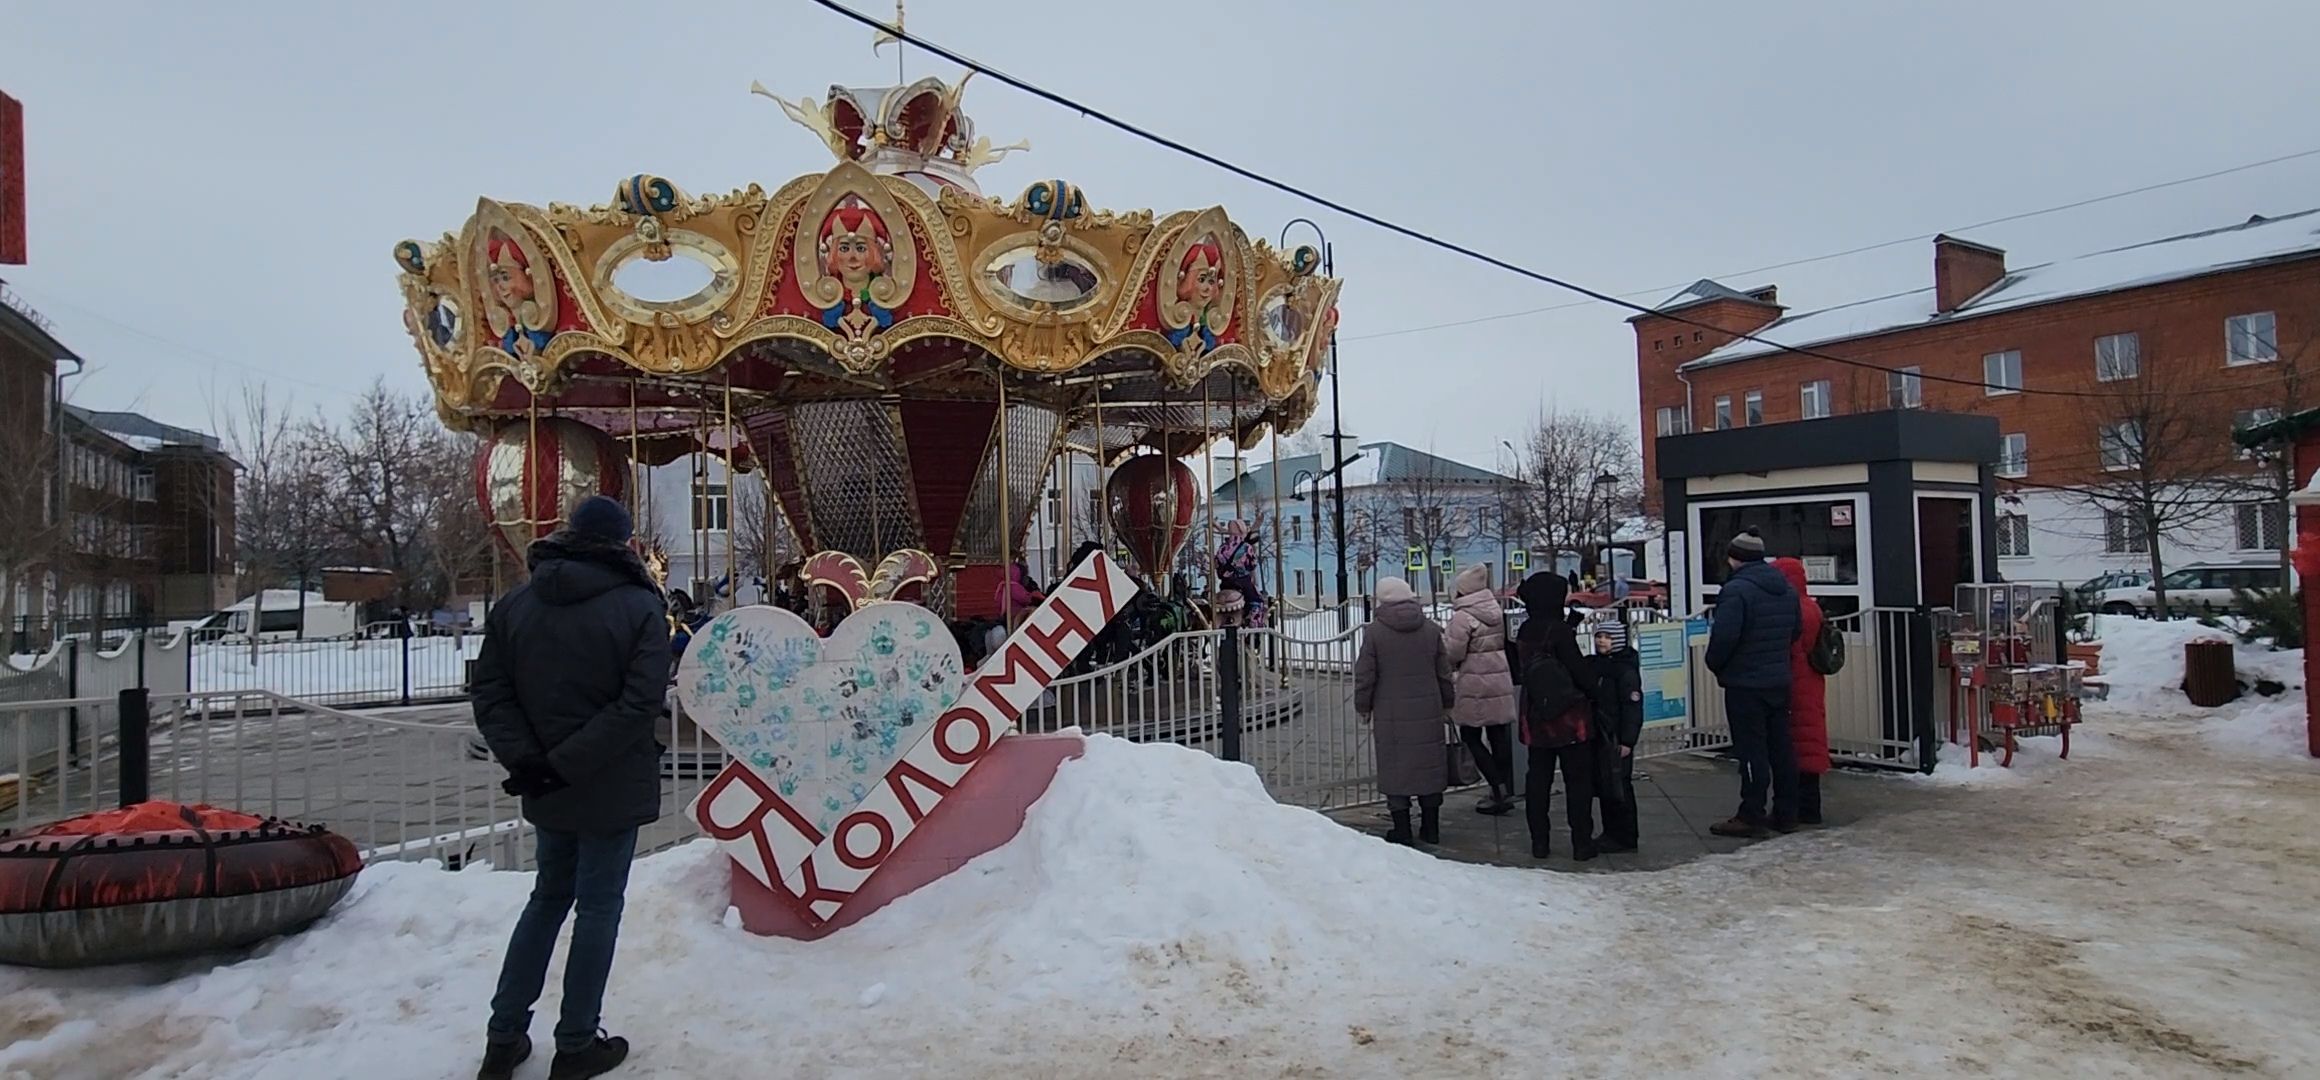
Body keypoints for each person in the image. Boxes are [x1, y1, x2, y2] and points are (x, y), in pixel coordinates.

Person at [470, 495, 669, 1080]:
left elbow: (491, 693)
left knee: (547, 899)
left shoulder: (516, 605)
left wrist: (531, 762)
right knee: (598, 908)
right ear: (624, 543)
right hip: (609, 783)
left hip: (546, 787)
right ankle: (577, 1041)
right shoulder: (640, 608)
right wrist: (567, 763)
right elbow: (638, 703)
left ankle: (504, 1036)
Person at [1702, 530, 1801, 839]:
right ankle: (1787, 812)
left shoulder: (1736, 591)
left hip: (1745, 684)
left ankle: (1751, 814)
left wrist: (1716, 664)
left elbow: (1724, 638)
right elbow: (1795, 631)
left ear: (1735, 558)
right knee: (1781, 749)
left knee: (1751, 750)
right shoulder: (1786, 589)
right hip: (1778, 680)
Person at [1353, 576, 1454, 846]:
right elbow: (1444, 672)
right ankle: (1431, 827)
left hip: (1391, 712)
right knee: (1429, 765)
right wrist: (1448, 703)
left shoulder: (1375, 633)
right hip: (1429, 708)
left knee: (1395, 767)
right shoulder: (1431, 629)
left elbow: (1365, 675)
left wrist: (1363, 706)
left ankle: (1402, 829)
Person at [1511, 572, 1599, 860]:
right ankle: (1581, 843)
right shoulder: (1559, 631)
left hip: (1537, 715)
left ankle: (1540, 842)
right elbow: (1576, 670)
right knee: (1578, 782)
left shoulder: (1526, 630)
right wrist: (1596, 688)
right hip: (1569, 719)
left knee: (1538, 780)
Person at [1441, 563, 1517, 815]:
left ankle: (1497, 787)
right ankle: (1504, 787)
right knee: (1498, 734)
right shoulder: (1494, 610)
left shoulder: (1463, 617)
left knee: (1471, 736)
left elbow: (1453, 653)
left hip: (1475, 681)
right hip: (1499, 678)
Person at [1775, 557, 1832, 825]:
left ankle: (1799, 808)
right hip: (1811, 681)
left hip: (1794, 682)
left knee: (1795, 743)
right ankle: (1811, 808)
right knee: (1810, 740)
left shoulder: (1791, 610)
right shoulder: (1812, 607)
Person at [1589, 622, 1644, 853]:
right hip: (1602, 735)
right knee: (1606, 785)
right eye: (1599, 635)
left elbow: (1632, 708)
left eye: (1608, 637)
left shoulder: (1625, 671)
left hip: (1617, 737)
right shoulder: (1598, 665)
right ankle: (1611, 832)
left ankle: (1624, 836)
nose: (1601, 640)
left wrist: (1627, 740)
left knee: (1619, 785)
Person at [995, 558, 1044, 631]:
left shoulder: (1002, 585)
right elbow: (1024, 599)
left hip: (1006, 612)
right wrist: (1032, 595)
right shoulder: (1013, 586)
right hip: (1015, 612)